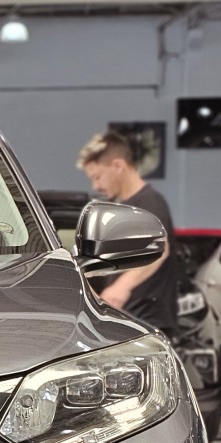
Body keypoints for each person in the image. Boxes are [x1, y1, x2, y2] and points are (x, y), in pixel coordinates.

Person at [77, 131, 180, 333]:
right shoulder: (121, 209)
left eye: (97, 177)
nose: (96, 186)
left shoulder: (150, 202)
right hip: (130, 318)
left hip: (150, 320)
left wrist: (121, 288)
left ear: (118, 166)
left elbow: (160, 248)